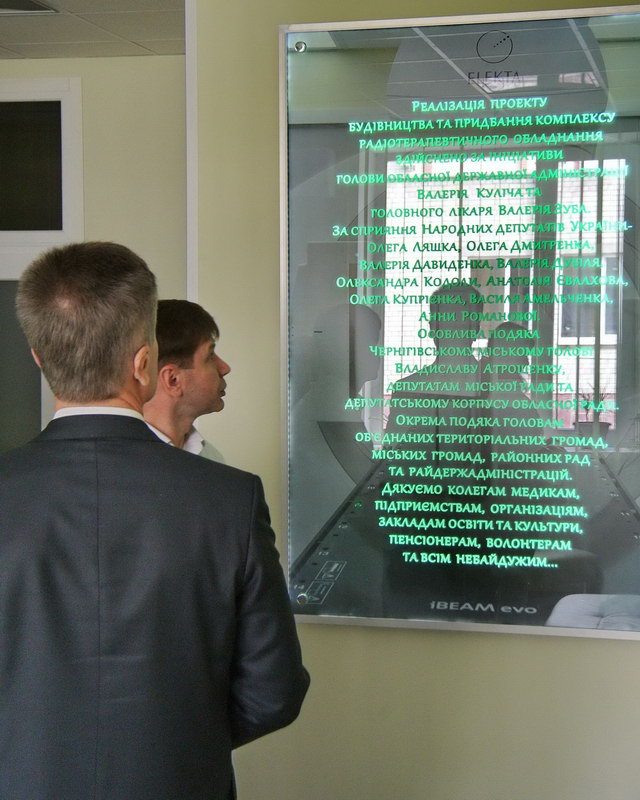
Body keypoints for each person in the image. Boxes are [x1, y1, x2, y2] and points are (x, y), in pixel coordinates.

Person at [0, 241, 309, 800]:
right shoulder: (229, 499)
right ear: (144, 363)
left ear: (39, 358)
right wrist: (178, 741)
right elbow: (274, 691)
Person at [144, 299, 229, 461]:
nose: (225, 368)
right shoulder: (117, 463)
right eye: (210, 356)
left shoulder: (210, 458)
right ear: (173, 380)